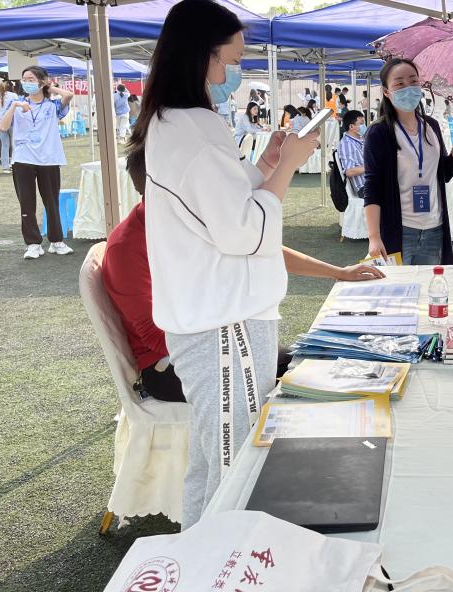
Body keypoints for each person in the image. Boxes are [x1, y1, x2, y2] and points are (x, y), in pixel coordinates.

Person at [125, 0, 320, 528]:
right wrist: (289, 168)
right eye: (233, 59)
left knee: (214, 461)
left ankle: (200, 553)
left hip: (214, 318)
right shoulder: (192, 127)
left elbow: (216, 199)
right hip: (224, 323)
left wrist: (266, 165)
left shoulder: (177, 122)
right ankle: (218, 554)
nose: (237, 70)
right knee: (234, 466)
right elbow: (240, 230)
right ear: (204, 55)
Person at [101, 200, 384, 403]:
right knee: (297, 385)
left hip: (218, 342)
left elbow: (261, 250)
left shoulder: (188, 216)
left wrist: (337, 272)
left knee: (308, 364)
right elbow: (154, 336)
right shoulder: (127, 247)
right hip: (170, 364)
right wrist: (233, 344)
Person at [362, 57, 453, 265]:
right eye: (399, 84)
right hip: (399, 229)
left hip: (434, 229)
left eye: (413, 81)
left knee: (430, 285)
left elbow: (444, 174)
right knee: (398, 286)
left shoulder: (432, 126)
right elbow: (372, 186)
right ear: (386, 92)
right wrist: (374, 237)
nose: (408, 88)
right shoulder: (379, 132)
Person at [0, 65, 75, 259]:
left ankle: (56, 241)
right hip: (22, 159)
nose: (26, 83)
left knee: (51, 201)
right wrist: (15, 106)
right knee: (27, 203)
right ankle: (33, 244)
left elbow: (68, 95)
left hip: (49, 159)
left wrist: (50, 87)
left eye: (31, 79)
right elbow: (3, 126)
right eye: (24, 79)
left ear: (41, 82)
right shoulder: (16, 103)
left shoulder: (53, 105)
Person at [0, 80, 18, 173]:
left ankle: (5, 167)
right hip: (12, 122)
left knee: (4, 145)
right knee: (14, 144)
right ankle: (14, 164)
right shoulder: (13, 95)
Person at [338, 109, 367, 195]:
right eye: (361, 124)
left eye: (364, 123)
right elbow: (349, 171)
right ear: (351, 126)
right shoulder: (347, 144)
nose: (364, 126)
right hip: (364, 186)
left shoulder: (361, 139)